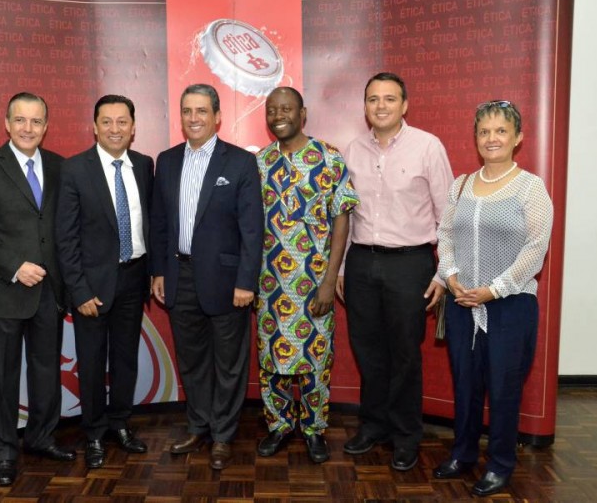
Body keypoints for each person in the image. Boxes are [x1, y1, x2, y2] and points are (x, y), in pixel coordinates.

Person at [432, 101, 553, 496]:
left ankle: (500, 463)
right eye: (484, 132)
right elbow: (446, 234)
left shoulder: (530, 187)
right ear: (476, 138)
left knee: (503, 387)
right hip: (463, 301)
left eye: (501, 131)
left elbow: (536, 248)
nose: (492, 138)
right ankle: (463, 453)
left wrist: (494, 289)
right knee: (466, 384)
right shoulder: (462, 184)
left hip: (509, 305)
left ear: (518, 138)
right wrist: (450, 277)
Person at [338, 72, 453, 471]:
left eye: (389, 99)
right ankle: (373, 427)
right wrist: (341, 267)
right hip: (361, 262)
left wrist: (443, 274)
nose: (380, 106)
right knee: (368, 352)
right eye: (373, 99)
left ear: (404, 105)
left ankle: (406, 435)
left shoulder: (427, 147)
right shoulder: (352, 150)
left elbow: (448, 216)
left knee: (404, 354)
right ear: (365, 106)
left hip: (410, 262)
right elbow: (347, 214)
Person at [0, 92, 75, 487]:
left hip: (49, 293)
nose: (28, 128)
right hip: (2, 292)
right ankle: (3, 453)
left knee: (47, 374)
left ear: (46, 126)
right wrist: (14, 266)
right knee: (2, 379)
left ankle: (42, 438)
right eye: (20, 120)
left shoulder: (62, 168)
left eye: (36, 121)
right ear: (6, 123)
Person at [150, 83, 264, 470]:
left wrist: (246, 282)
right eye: (187, 111)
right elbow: (160, 223)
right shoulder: (165, 161)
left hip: (228, 281)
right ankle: (198, 426)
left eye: (201, 111)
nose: (194, 118)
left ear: (217, 116)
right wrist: (159, 271)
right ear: (180, 116)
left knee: (229, 362)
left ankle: (223, 435)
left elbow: (252, 228)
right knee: (193, 359)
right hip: (178, 275)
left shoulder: (240, 163)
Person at [255, 87, 359, 463]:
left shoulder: (328, 157)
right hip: (269, 286)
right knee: (272, 361)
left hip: (315, 282)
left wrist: (331, 280)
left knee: (315, 361)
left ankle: (314, 430)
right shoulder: (260, 162)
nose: (278, 115)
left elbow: (342, 216)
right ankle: (280, 426)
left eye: (286, 108)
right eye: (272, 109)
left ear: (303, 113)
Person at [55, 95, 153, 468]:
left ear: (133, 127)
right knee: (92, 362)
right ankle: (94, 433)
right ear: (94, 127)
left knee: (126, 359)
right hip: (91, 286)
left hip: (133, 277)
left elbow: (152, 222)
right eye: (107, 122)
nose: (115, 128)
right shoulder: (75, 169)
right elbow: (66, 237)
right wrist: (78, 289)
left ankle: (121, 424)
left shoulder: (144, 165)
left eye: (122, 121)